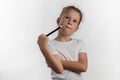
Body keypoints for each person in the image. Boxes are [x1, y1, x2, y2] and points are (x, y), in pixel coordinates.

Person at [37, 5, 88, 80]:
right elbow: (59, 69)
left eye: (74, 21)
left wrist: (54, 61)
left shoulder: (79, 43)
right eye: (67, 17)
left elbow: (83, 67)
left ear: (76, 28)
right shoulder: (48, 44)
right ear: (58, 21)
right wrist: (43, 47)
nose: (70, 22)